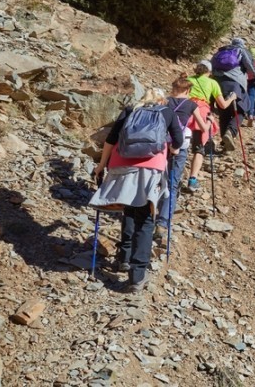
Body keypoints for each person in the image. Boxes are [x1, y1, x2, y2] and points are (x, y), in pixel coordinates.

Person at [90, 89, 184, 292]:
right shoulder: (166, 112)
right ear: (161, 100)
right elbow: (179, 140)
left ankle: (123, 258)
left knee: (129, 210)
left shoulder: (130, 110)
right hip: (151, 169)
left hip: (120, 166)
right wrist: (173, 149)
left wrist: (101, 165)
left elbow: (111, 140)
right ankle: (137, 275)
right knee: (146, 218)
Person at [155, 75, 211, 240]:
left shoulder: (163, 101)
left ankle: (149, 213)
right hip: (179, 146)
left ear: (173, 88)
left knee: (156, 179)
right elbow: (203, 128)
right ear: (188, 90)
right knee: (172, 184)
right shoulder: (191, 105)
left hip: (160, 145)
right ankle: (162, 223)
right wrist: (210, 121)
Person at [185, 61, 235, 189]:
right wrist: (232, 98)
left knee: (179, 146)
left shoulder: (188, 79)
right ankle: (192, 179)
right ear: (210, 71)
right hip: (201, 113)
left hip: (185, 112)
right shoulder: (213, 83)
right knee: (199, 148)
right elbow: (222, 105)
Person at [211, 37, 255, 151]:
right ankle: (230, 132)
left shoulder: (220, 52)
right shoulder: (241, 50)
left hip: (218, 83)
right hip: (236, 83)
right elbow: (249, 65)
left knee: (224, 113)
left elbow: (211, 65)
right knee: (241, 110)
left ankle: (224, 141)